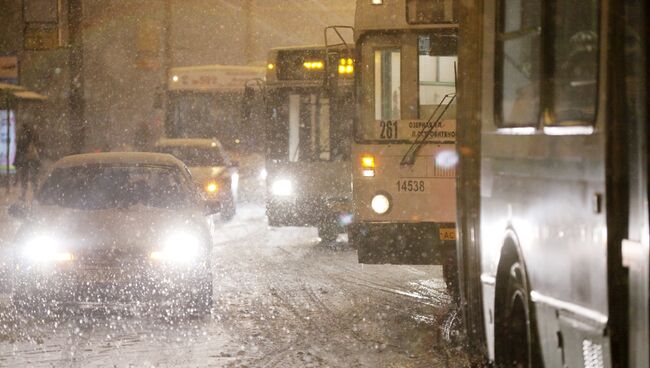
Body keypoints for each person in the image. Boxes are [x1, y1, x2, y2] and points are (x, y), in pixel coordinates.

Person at [14, 123, 41, 200]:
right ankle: (35, 195)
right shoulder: (31, 136)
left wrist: (16, 161)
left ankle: (24, 195)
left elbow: (19, 150)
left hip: (25, 160)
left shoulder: (22, 138)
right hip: (32, 159)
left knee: (24, 178)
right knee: (33, 178)